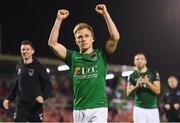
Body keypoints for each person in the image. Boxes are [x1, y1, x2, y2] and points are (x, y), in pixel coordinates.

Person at [48, 4, 120, 123]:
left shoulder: (101, 54)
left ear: (92, 38)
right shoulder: (72, 57)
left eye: (86, 36)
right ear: (76, 41)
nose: (83, 39)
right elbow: (52, 44)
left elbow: (115, 37)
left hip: (98, 107)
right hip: (79, 109)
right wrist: (59, 19)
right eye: (79, 37)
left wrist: (105, 15)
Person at [3, 40, 52, 122]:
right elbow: (17, 85)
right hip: (20, 107)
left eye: (27, 49)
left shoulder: (39, 67)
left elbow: (48, 85)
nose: (25, 51)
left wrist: (43, 96)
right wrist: (8, 98)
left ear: (33, 51)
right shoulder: (19, 65)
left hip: (35, 107)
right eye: (23, 49)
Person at [127, 53, 161, 123]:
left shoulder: (154, 73)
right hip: (139, 109)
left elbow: (158, 91)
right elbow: (128, 93)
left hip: (152, 109)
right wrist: (136, 86)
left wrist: (148, 82)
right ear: (134, 62)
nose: (139, 61)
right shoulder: (132, 76)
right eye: (137, 59)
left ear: (145, 61)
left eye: (141, 59)